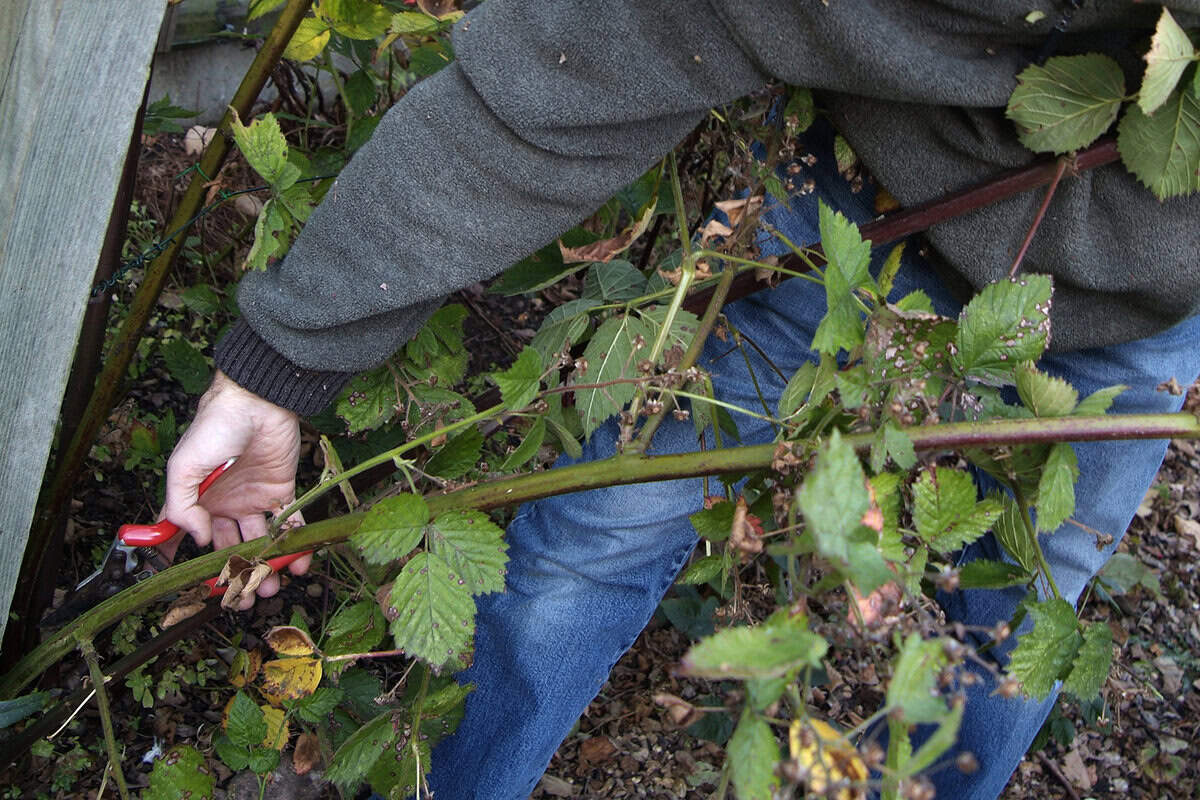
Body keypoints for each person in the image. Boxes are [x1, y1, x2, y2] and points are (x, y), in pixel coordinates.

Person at [161, 2, 1200, 798]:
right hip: (867, 220)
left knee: (1017, 613)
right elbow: (556, 82)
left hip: (1142, 316)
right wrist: (274, 368)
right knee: (601, 521)